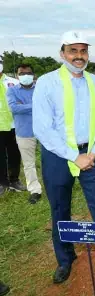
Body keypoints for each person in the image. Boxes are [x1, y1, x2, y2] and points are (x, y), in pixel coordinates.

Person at [32, 31, 95, 283]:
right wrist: (73, 156)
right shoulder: (46, 82)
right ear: (62, 53)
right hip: (58, 156)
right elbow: (42, 129)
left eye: (83, 51)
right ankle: (65, 259)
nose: (79, 56)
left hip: (91, 154)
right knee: (59, 208)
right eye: (73, 51)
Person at [6, 63, 42, 204]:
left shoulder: (40, 88)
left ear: (33, 75)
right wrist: (36, 105)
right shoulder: (12, 91)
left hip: (44, 130)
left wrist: (24, 106)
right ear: (17, 75)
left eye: (28, 73)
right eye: (21, 73)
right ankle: (35, 190)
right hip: (24, 131)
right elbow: (14, 108)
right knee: (29, 163)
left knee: (51, 161)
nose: (25, 76)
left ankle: (55, 186)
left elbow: (47, 105)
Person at [0, 59, 25, 196]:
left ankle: (14, 180)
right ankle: (2, 183)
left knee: (15, 154)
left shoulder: (13, 82)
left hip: (15, 125)